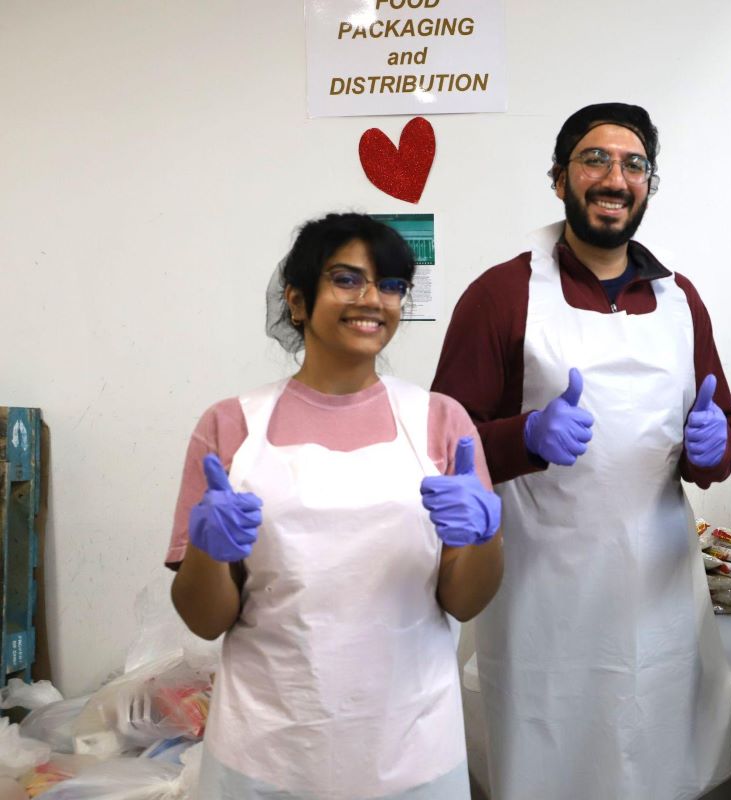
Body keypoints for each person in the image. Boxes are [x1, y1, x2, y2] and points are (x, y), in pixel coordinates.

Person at [431, 102, 731, 800]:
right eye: (595, 159)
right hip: (540, 594)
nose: (614, 177)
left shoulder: (679, 299)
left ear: (649, 185)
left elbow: (712, 436)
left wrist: (711, 446)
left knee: (653, 764)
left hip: (655, 595)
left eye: (634, 164)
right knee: (544, 766)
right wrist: (523, 436)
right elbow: (443, 444)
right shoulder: (503, 294)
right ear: (559, 177)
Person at [166, 212, 503, 799]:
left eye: (391, 284)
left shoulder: (442, 422)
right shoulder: (230, 426)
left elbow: (465, 600)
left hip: (412, 747)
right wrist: (208, 553)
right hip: (267, 750)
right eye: (346, 280)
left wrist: (484, 540)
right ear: (296, 300)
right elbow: (204, 618)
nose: (373, 299)